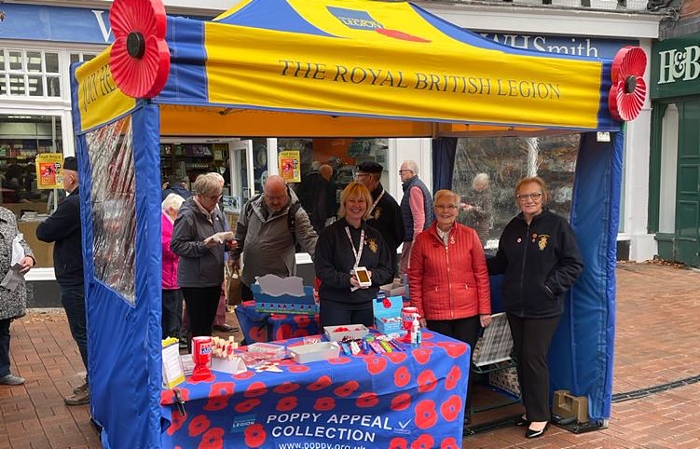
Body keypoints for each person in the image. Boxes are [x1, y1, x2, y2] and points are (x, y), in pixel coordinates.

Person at [487, 176, 583, 439]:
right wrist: (474, 262)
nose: (528, 201)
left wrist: (550, 288)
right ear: (517, 199)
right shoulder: (513, 227)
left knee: (533, 357)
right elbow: (502, 263)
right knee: (522, 356)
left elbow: (573, 264)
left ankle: (541, 416)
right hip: (516, 306)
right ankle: (530, 410)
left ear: (544, 197)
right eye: (523, 196)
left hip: (544, 307)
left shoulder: (557, 226)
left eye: (534, 196)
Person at [408, 189, 491, 421]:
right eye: (441, 206)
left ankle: (462, 412)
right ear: (434, 208)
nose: (446, 211)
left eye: (451, 206)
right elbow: (414, 277)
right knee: (439, 365)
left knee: (463, 363)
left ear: (458, 209)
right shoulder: (423, 239)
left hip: (468, 312)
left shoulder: (470, 235)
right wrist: (418, 312)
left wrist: (485, 309)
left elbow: (481, 274)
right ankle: (440, 412)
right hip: (435, 314)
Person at [36, 156, 89, 406]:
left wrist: (49, 222)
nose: (60, 181)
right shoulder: (87, 198)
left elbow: (44, 232)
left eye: (62, 176)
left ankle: (94, 384)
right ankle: (95, 381)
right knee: (87, 332)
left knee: (83, 334)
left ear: (71, 177)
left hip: (74, 276)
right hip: (82, 274)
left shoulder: (73, 204)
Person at [315, 182, 394, 327]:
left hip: (367, 304)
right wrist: (348, 280)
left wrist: (371, 275)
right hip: (336, 304)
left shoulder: (374, 235)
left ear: (367, 204)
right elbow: (322, 270)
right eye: (352, 200)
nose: (356, 205)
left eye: (361, 201)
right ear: (344, 203)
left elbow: (387, 269)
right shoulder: (329, 234)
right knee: (338, 347)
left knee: (366, 348)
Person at [170, 174, 235, 348]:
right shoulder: (187, 215)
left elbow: (219, 240)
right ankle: (196, 362)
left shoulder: (216, 212)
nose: (216, 201)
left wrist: (228, 245)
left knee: (208, 326)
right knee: (197, 327)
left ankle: (205, 361)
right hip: (195, 281)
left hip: (213, 278)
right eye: (213, 198)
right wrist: (204, 245)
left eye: (218, 197)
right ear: (201, 195)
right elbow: (176, 246)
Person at [232, 175, 318, 301]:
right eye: (271, 198)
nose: (276, 202)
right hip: (250, 278)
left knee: (274, 319)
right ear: (264, 193)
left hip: (279, 282)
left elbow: (310, 240)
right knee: (250, 318)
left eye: (280, 197)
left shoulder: (296, 214)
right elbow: (240, 232)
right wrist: (234, 255)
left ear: (286, 191)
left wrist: (325, 265)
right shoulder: (251, 206)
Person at [0, 207, 35, 386]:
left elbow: (19, 241)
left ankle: (3, 372)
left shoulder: (6, 215)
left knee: (2, 331)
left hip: (7, 285)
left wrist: (29, 256)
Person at [354, 162, 404, 277]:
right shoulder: (360, 200)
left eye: (359, 176)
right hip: (361, 261)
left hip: (383, 263)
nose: (356, 180)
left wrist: (383, 250)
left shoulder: (388, 204)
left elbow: (399, 234)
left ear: (370, 177)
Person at [398, 160, 434, 277]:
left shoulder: (414, 189)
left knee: (406, 270)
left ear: (411, 172)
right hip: (415, 235)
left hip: (412, 237)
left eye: (402, 172)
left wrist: (416, 239)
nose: (400, 174)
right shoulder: (418, 185)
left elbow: (419, 217)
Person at [161, 193, 185, 340]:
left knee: (175, 308)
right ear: (171, 209)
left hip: (173, 274)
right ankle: (172, 336)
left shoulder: (169, 222)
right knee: (171, 309)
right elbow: (169, 249)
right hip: (166, 276)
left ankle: (175, 334)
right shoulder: (163, 223)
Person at [296, 163, 338, 234]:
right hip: (319, 215)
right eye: (330, 174)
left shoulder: (307, 179)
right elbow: (325, 202)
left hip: (308, 213)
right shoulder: (327, 185)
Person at [458, 173, 493, 247]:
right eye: (475, 183)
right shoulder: (473, 192)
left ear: (483, 186)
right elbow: (466, 198)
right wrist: (459, 202)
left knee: (478, 249)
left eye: (477, 184)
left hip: (481, 230)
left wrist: (473, 209)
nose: (474, 186)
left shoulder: (487, 197)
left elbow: (487, 214)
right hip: (470, 226)